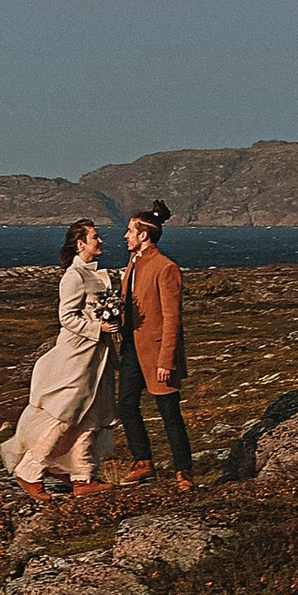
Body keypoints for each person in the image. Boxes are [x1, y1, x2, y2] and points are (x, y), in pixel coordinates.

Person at [0, 219, 120, 491]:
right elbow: (66, 317)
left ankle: (83, 476)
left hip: (99, 357)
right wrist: (96, 327)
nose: (100, 241)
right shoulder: (73, 276)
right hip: (77, 356)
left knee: (94, 416)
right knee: (66, 413)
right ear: (80, 244)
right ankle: (30, 470)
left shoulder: (99, 274)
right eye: (95, 237)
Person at [114, 202, 192, 487]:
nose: (125, 236)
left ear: (143, 235)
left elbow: (172, 318)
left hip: (158, 351)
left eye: (130, 230)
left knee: (169, 413)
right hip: (132, 349)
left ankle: (183, 471)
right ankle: (143, 462)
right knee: (126, 405)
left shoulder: (166, 267)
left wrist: (166, 360)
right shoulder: (133, 265)